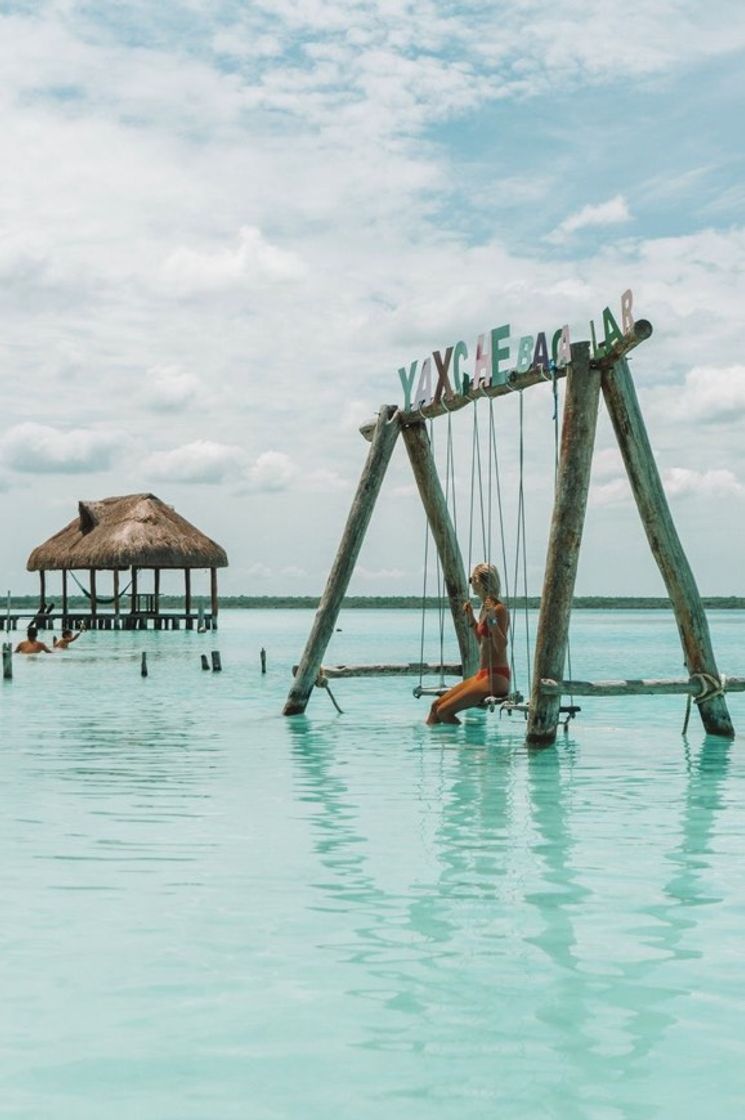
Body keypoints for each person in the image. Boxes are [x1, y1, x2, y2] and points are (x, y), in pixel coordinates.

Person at [426, 562, 510, 725]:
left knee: (444, 712)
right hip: (482, 675)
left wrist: (492, 620)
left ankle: (466, 748)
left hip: (496, 677)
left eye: (473, 578)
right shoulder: (484, 609)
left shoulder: (499, 609)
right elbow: (483, 644)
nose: (470, 582)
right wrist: (472, 620)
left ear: (484, 582)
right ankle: (431, 746)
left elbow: (501, 647)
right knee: (435, 706)